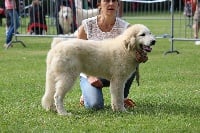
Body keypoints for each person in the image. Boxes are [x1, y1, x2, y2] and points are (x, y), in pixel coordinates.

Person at [77, 0, 146, 109]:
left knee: (131, 62)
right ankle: (86, 95)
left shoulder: (127, 28)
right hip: (91, 72)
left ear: (118, 4)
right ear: (99, 4)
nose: (111, 4)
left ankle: (121, 97)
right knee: (95, 105)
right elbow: (79, 56)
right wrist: (90, 77)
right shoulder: (86, 26)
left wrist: (141, 57)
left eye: (114, 1)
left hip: (116, 72)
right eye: (106, 0)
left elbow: (138, 52)